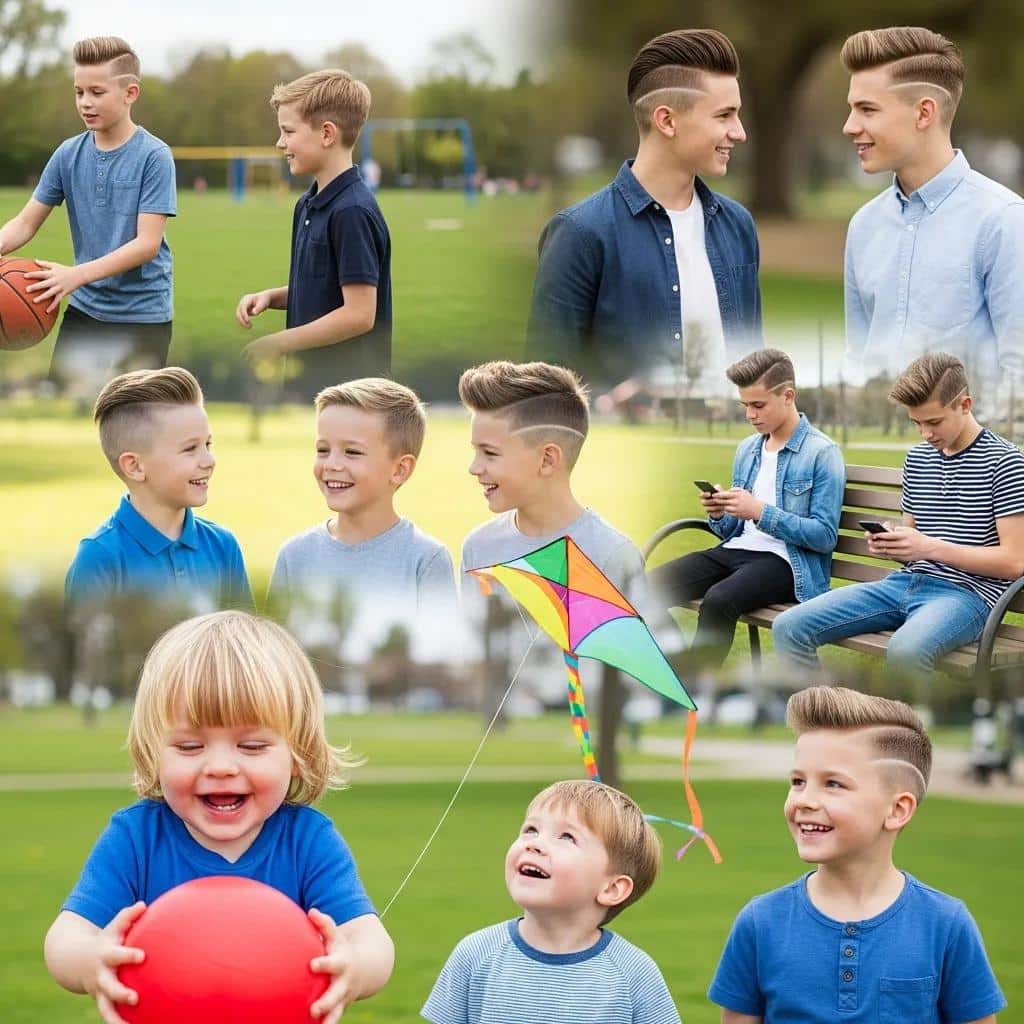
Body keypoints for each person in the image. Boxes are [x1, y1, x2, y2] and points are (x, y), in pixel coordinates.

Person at [43, 610, 394, 1024]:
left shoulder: (308, 841)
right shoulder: (135, 838)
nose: (221, 766)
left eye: (252, 746)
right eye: (190, 747)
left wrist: (355, 968)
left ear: (297, 754)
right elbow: (65, 938)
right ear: (153, 753)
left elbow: (371, 942)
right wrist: (89, 960)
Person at [709, 685, 1005, 1023]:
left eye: (833, 784)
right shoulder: (760, 923)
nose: (804, 799)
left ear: (897, 810)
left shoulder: (946, 925)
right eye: (797, 781)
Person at [528, 28, 761, 389]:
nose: (740, 132)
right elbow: (542, 393)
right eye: (724, 116)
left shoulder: (739, 225)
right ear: (666, 120)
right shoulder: (579, 234)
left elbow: (755, 366)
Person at [773, 353, 1024, 678]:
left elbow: (1014, 562)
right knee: (789, 627)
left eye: (933, 422)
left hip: (966, 596)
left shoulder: (1005, 462)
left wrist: (928, 548)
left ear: (965, 404)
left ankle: (910, 729)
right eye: (916, 422)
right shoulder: (918, 458)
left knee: (906, 652)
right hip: (905, 582)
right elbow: (912, 543)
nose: (925, 434)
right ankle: (828, 722)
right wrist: (892, 543)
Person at [841, 26, 1024, 408]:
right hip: (874, 454)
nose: (850, 126)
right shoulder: (863, 226)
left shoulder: (1003, 221)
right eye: (851, 108)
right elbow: (857, 361)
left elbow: (1018, 375)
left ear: (924, 112)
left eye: (867, 109)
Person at [422, 779, 680, 1024]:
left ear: (612, 888)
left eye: (567, 837)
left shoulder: (633, 974)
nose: (535, 844)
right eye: (531, 829)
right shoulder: (476, 954)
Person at [0, 36, 176, 393]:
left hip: (143, 317)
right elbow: (24, 223)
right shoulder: (67, 154)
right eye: (79, 92)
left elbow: (146, 244)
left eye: (97, 92)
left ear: (130, 94)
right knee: (64, 409)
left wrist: (74, 276)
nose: (85, 102)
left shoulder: (154, 156)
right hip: (84, 312)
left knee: (132, 424)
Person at [649, 349, 843, 669]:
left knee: (718, 601)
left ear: (788, 395)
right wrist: (718, 512)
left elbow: (824, 536)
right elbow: (728, 531)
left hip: (787, 563)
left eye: (758, 405)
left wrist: (760, 511)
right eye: (745, 406)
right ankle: (671, 668)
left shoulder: (821, 453)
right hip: (735, 550)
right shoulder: (748, 449)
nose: (750, 415)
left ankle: (692, 685)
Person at [236, 69, 391, 400]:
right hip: (308, 386)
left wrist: (279, 341)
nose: (280, 143)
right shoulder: (307, 204)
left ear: (326, 134)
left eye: (288, 131)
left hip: (351, 395)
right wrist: (273, 297)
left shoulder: (351, 211)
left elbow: (359, 314)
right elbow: (325, 287)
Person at [268, 377, 457, 630]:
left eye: (352, 452)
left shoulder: (426, 560)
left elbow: (441, 660)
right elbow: (271, 658)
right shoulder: (294, 556)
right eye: (323, 450)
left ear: (400, 469)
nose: (332, 464)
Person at [65, 367, 252, 611]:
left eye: (207, 444)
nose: (209, 460)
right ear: (134, 466)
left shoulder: (223, 546)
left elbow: (245, 645)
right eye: (190, 449)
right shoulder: (99, 558)